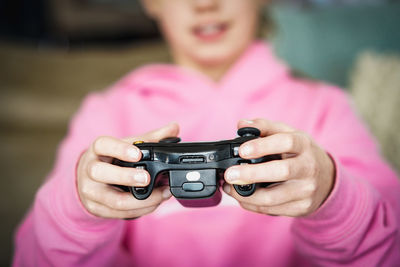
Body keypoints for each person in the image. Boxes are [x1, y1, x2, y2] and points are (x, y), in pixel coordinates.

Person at [13, 0, 400, 266]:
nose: (205, 3)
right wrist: (79, 211)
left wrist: (333, 194)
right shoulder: (109, 112)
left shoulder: (325, 108)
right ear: (152, 2)